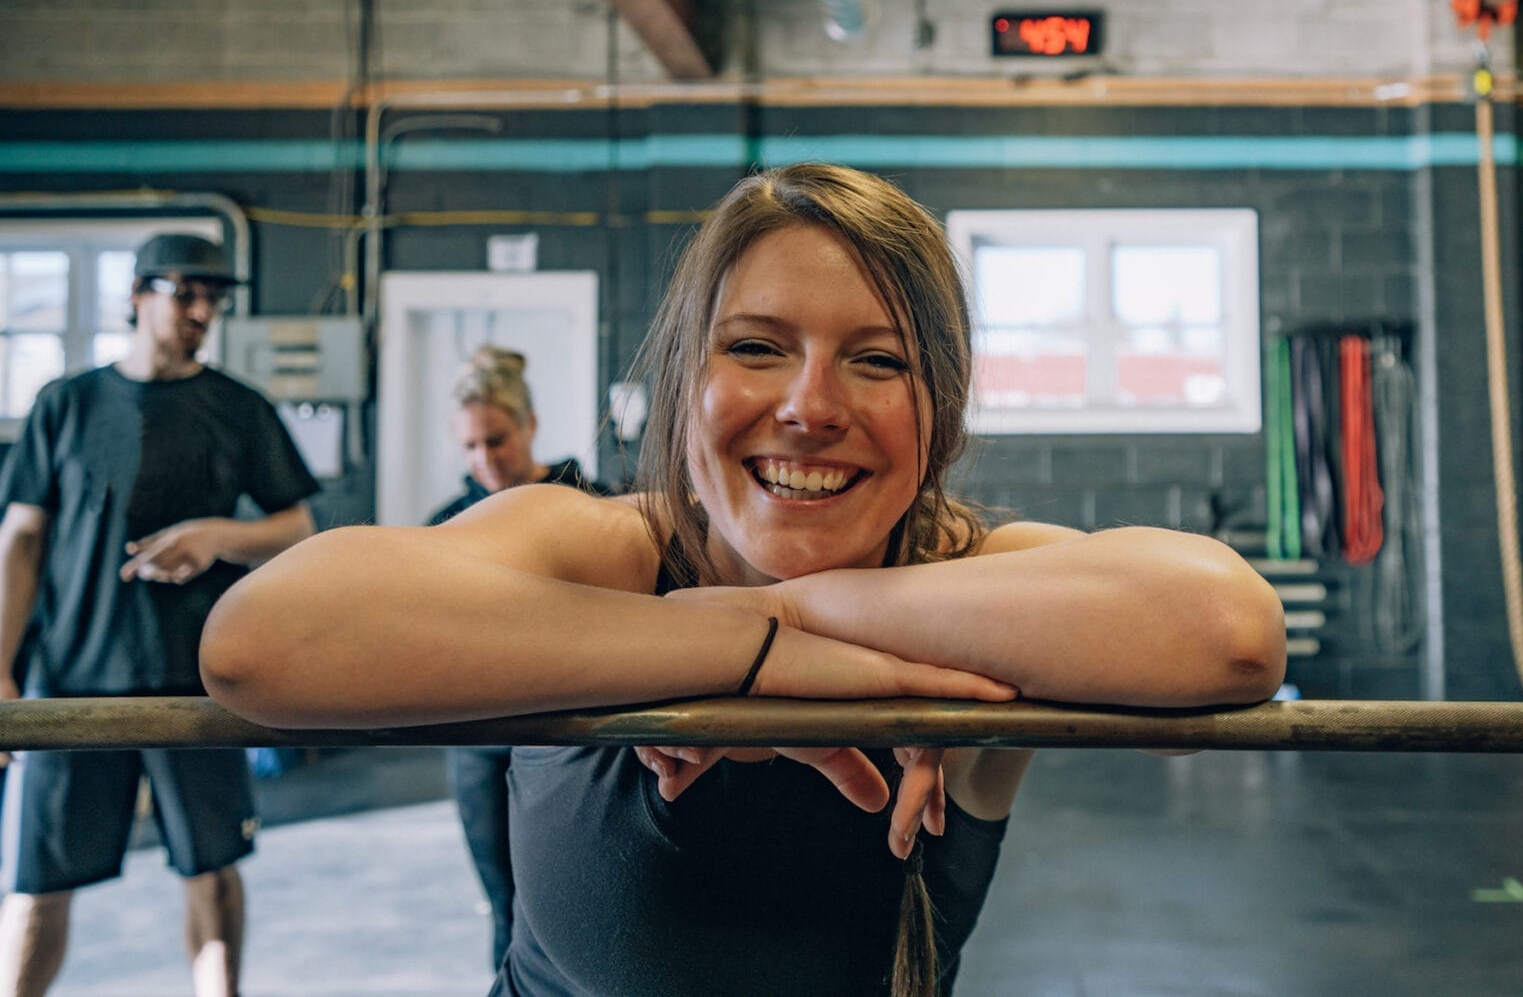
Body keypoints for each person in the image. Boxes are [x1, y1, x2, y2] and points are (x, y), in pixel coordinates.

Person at [200, 164, 1286, 996]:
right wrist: (743, 649)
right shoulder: (605, 549)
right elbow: (262, 644)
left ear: (938, 409)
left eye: (878, 360)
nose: (811, 404)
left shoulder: (965, 581)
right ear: (687, 381)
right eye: (759, 348)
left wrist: (794, 607)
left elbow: (1225, 631)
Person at [0, 233, 320, 997]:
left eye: (215, 297)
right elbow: (21, 539)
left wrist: (219, 537)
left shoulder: (238, 410)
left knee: (212, 872)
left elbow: (297, 529)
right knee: (40, 884)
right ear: (137, 295)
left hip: (197, 684)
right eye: (186, 292)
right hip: (69, 683)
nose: (202, 310)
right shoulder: (68, 404)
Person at [428, 344, 613, 971]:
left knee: (579, 901)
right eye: (471, 447)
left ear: (530, 424)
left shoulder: (591, 506)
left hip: (578, 737)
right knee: (504, 904)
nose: (485, 460)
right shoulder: (447, 524)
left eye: (497, 440)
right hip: (479, 739)